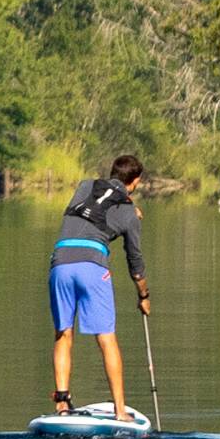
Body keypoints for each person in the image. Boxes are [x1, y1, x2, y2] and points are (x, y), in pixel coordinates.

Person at [49, 153, 151, 419]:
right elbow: (135, 260)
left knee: (63, 333)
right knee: (107, 340)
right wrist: (144, 295)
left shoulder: (85, 185)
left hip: (60, 262)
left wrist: (128, 204)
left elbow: (96, 206)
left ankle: (62, 404)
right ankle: (120, 411)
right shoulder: (130, 215)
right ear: (136, 181)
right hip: (92, 267)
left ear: (112, 172)